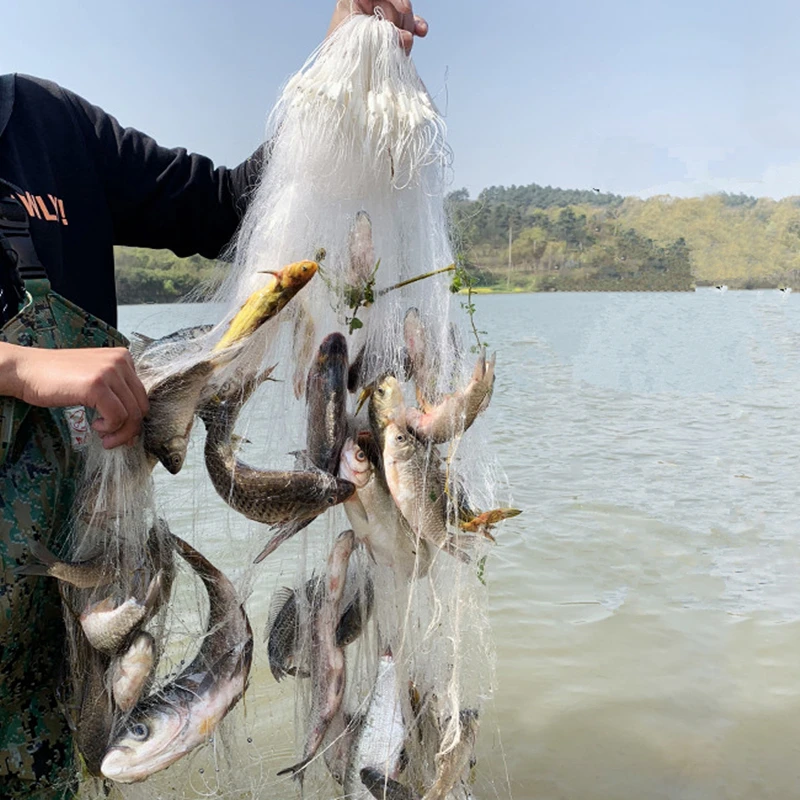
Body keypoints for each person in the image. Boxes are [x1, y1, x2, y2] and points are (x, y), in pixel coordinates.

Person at [0, 2, 427, 796]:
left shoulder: (46, 125)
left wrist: (332, 72)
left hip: (78, 590)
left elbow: (228, 206)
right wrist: (24, 368)